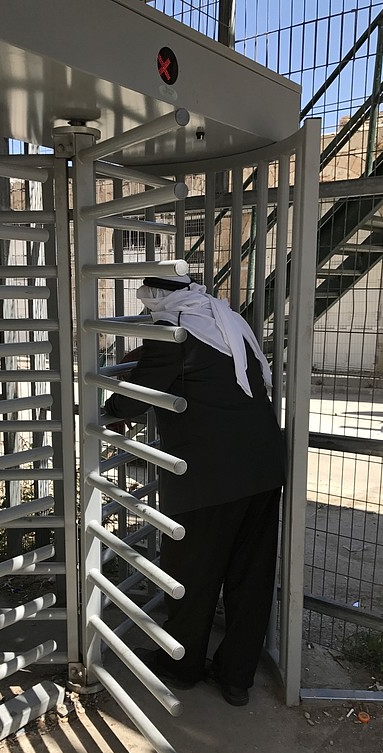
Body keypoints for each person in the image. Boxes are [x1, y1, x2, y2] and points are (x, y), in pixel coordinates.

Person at [103, 275, 286, 706]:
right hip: (263, 469)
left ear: (158, 298)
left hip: (209, 477)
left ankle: (183, 665)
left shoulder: (174, 332)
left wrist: (105, 408)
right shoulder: (226, 321)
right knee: (250, 576)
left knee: (192, 571)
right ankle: (236, 678)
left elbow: (131, 398)